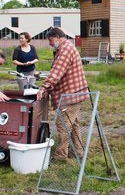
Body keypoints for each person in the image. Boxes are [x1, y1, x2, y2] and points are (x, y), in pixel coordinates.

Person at [37, 27, 88, 161]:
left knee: (63, 125)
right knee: (72, 125)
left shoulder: (65, 50)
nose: (49, 43)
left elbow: (56, 73)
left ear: (57, 37)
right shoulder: (65, 48)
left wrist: (43, 88)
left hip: (71, 95)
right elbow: (56, 72)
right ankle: (79, 152)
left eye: (50, 40)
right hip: (72, 94)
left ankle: (61, 156)